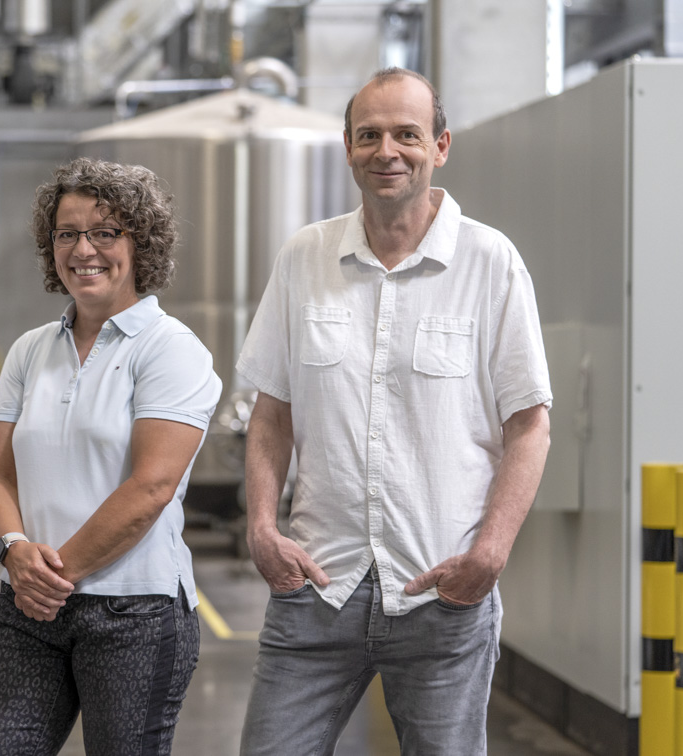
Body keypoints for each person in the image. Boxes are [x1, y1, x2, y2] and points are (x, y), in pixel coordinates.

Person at [237, 68, 552, 755]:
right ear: (347, 147)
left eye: (407, 134)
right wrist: (261, 526)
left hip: (441, 592)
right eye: (370, 135)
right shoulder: (305, 257)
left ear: (440, 145)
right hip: (317, 584)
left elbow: (529, 425)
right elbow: (272, 413)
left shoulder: (489, 262)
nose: (388, 151)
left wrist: (490, 554)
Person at [0, 157, 222, 755]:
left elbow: (151, 487)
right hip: (28, 608)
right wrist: (12, 552)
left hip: (136, 613)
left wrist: (49, 576)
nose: (85, 249)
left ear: (142, 242)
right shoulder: (30, 351)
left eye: (106, 232)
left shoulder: (170, 349)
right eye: (67, 234)